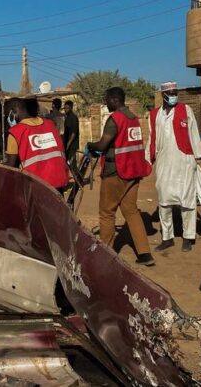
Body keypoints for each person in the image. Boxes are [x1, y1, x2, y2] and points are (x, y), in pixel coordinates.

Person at [87, 87, 155, 266]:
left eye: (106, 100)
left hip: (116, 172)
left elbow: (102, 145)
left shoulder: (115, 119)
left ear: (114, 100)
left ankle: (106, 254)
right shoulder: (133, 119)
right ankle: (145, 254)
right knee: (131, 212)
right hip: (133, 172)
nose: (105, 103)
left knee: (107, 213)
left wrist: (90, 144)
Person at [148, 81, 201, 252]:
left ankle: (188, 237)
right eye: (171, 92)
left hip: (184, 161)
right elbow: (151, 140)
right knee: (164, 202)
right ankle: (167, 238)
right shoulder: (154, 115)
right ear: (163, 95)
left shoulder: (185, 110)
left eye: (176, 92)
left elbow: (194, 134)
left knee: (187, 202)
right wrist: (147, 160)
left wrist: (200, 159)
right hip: (164, 163)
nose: (174, 95)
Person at [4, 97, 70, 193]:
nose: (7, 119)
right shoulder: (50, 124)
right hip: (58, 184)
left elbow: (11, 167)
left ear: (14, 111)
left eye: (7, 115)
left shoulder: (15, 133)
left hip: (36, 188)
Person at [62, 100, 80, 166]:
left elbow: (74, 133)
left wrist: (68, 144)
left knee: (72, 164)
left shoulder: (73, 118)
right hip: (67, 144)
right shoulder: (67, 118)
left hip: (72, 145)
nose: (65, 110)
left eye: (67, 108)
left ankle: (77, 176)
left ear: (71, 108)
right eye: (65, 108)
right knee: (66, 163)